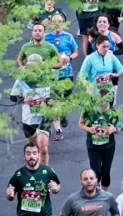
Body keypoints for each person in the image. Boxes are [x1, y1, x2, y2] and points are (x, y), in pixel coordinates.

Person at [6, 142, 60, 216]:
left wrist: (55, 189)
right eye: (28, 153)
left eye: (34, 153)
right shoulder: (18, 175)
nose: (31, 156)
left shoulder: (47, 171)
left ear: (39, 155)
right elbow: (10, 194)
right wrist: (10, 195)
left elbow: (57, 186)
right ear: (24, 156)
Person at [10, 54, 53, 166]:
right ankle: (33, 172)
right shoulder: (21, 80)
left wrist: (48, 102)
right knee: (32, 151)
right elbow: (13, 97)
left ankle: (44, 174)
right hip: (29, 119)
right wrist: (23, 99)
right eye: (31, 66)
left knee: (43, 149)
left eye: (36, 66)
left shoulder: (48, 78)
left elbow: (56, 97)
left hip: (44, 117)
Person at [78, 89, 123, 191]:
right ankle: (96, 193)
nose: (102, 104)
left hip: (108, 146)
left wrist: (114, 129)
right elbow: (80, 123)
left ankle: (104, 194)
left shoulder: (113, 112)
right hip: (93, 146)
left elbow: (120, 127)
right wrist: (89, 129)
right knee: (96, 171)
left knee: (106, 172)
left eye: (105, 101)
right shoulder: (89, 110)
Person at [45, 13, 79, 141]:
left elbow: (76, 51)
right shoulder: (46, 38)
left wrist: (70, 57)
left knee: (65, 100)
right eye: (55, 21)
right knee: (54, 102)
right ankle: (58, 130)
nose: (57, 24)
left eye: (60, 21)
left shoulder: (68, 37)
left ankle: (64, 115)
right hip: (51, 75)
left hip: (66, 74)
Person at [87, 13, 123, 104]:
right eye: (100, 22)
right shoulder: (92, 36)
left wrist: (113, 52)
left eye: (104, 22)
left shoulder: (113, 36)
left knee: (111, 96)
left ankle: (113, 101)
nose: (102, 24)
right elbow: (88, 52)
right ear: (96, 24)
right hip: (96, 66)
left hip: (110, 65)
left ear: (108, 24)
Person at [79, 35, 123, 106]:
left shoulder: (111, 57)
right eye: (103, 46)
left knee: (108, 115)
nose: (106, 49)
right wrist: (88, 86)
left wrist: (115, 75)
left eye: (108, 46)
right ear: (97, 45)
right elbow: (82, 75)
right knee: (94, 115)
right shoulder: (89, 58)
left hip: (108, 91)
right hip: (94, 93)